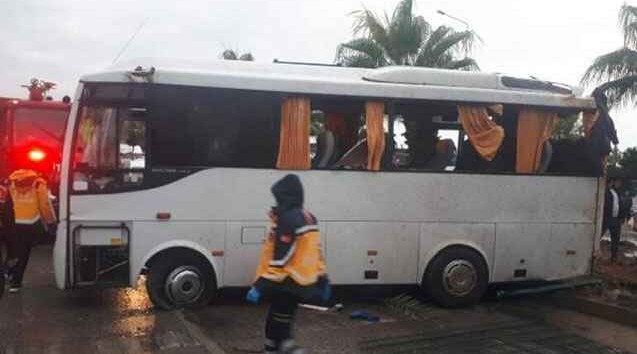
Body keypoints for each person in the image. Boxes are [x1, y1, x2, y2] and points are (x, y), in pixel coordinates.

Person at [246, 174, 330, 354]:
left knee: (279, 325)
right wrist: (322, 277)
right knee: (280, 319)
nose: (277, 201)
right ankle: (272, 349)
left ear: (287, 196)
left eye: (279, 197)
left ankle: (286, 350)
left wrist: (260, 286)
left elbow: (281, 260)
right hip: (304, 281)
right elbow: (317, 252)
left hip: (287, 283)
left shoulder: (288, 219)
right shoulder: (308, 217)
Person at [6, 169, 57, 293]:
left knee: (17, 251)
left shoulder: (12, 184)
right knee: (24, 252)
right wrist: (51, 222)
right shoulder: (39, 184)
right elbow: (44, 205)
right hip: (32, 223)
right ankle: (15, 282)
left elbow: (9, 203)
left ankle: (9, 274)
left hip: (16, 222)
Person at [602, 178, 621, 263]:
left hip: (616, 219)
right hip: (606, 218)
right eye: (615, 182)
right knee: (598, 235)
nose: (618, 184)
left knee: (616, 239)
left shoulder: (616, 192)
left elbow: (618, 204)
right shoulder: (604, 191)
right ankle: (592, 254)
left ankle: (614, 257)